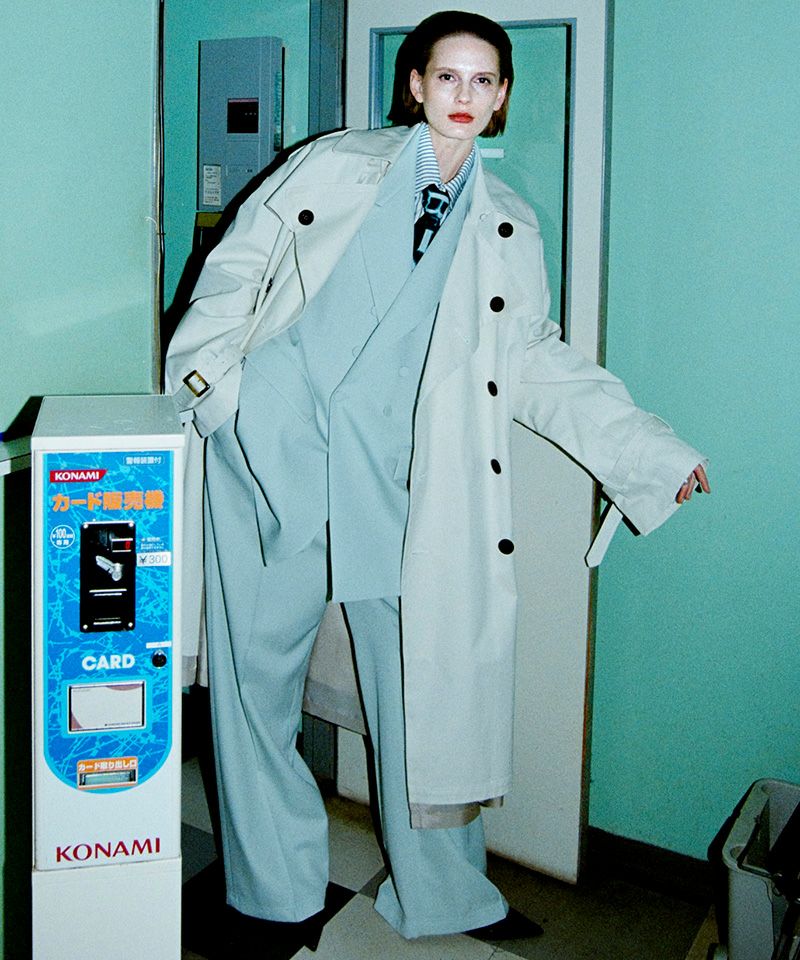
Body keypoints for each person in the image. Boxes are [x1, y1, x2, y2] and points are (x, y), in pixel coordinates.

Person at [166, 10, 709, 952]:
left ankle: (447, 894)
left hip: (396, 481)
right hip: (272, 454)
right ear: (414, 84)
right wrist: (219, 397)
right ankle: (272, 892)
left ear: (502, 98)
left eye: (483, 80)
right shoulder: (333, 164)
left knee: (424, 690)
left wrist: (646, 453)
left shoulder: (507, 225)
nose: (464, 95)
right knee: (255, 686)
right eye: (447, 76)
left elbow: (531, 357)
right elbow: (235, 270)